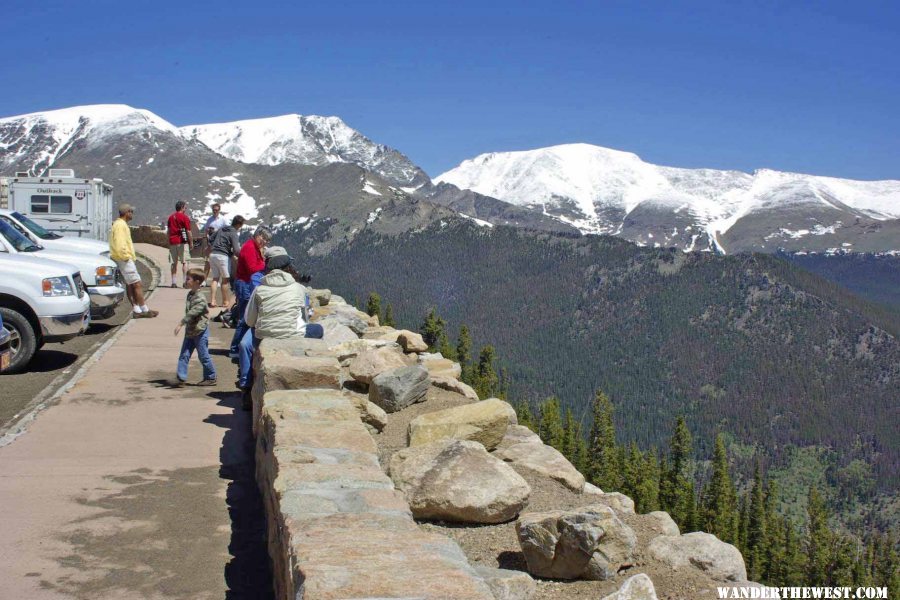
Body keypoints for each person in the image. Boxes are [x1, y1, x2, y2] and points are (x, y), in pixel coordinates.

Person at [236, 247, 323, 408]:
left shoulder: (259, 287)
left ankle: (246, 388)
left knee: (244, 345)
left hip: (264, 335)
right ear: (287, 269)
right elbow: (304, 318)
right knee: (318, 330)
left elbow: (249, 320)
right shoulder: (298, 288)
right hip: (291, 333)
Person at [229, 226, 272, 358]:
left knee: (246, 317)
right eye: (263, 238)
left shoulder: (254, 247)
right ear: (257, 235)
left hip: (247, 283)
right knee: (244, 318)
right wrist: (266, 265)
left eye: (266, 240)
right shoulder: (249, 247)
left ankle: (239, 347)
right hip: (244, 284)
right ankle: (235, 348)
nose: (264, 242)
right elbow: (253, 267)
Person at [109, 203, 157, 318]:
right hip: (124, 259)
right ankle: (143, 309)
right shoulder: (121, 225)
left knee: (130, 284)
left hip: (121, 258)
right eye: (131, 212)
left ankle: (137, 310)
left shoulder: (119, 224)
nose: (132, 214)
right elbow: (120, 243)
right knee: (137, 283)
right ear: (127, 213)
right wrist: (126, 257)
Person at [172, 268, 216, 386]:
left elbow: (192, 313)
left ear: (197, 282)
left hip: (200, 330)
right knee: (184, 354)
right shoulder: (190, 294)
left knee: (203, 355)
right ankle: (181, 376)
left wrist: (181, 324)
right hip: (191, 330)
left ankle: (210, 377)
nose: (186, 281)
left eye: (188, 279)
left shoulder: (200, 298)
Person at [208, 215, 244, 308]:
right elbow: (236, 249)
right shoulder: (233, 233)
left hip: (213, 254)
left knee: (215, 278)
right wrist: (242, 257)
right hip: (223, 256)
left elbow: (211, 238)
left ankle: (212, 300)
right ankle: (225, 301)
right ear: (239, 224)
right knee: (225, 280)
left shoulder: (222, 229)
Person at [166, 201, 193, 288]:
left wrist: (168, 241)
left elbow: (169, 231)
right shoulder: (185, 218)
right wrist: (191, 242)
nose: (186, 209)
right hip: (182, 242)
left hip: (173, 242)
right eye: (185, 208)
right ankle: (185, 282)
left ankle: (173, 282)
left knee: (174, 263)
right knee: (185, 262)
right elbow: (188, 231)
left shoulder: (170, 217)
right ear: (181, 207)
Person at [203, 203, 227, 279]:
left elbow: (227, 230)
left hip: (220, 243)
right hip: (210, 243)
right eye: (214, 210)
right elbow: (206, 230)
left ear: (219, 210)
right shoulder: (209, 220)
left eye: (216, 210)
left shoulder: (223, 219)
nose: (215, 211)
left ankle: (216, 279)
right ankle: (204, 279)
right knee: (207, 262)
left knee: (218, 262)